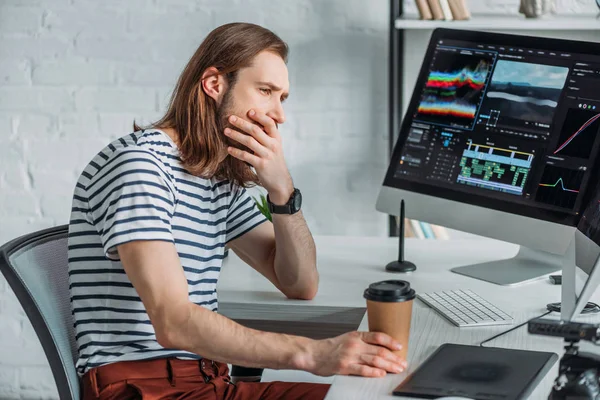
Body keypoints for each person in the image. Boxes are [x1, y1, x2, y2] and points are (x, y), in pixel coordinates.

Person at [68, 22, 406, 400]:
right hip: (147, 388)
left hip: (208, 380)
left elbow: (300, 283)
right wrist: (313, 353)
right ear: (214, 84)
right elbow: (173, 322)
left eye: (283, 98)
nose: (278, 115)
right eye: (265, 91)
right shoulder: (142, 167)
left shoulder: (211, 175)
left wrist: (282, 190)